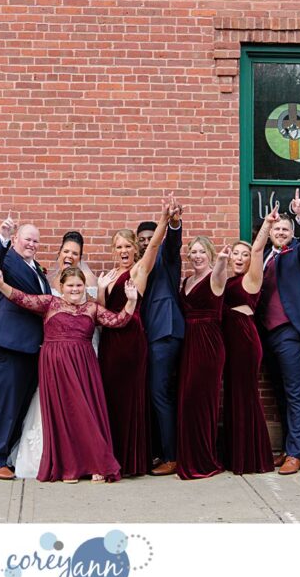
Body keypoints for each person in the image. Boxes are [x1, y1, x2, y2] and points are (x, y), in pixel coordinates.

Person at [0, 267, 134, 482]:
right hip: (55, 367)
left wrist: (131, 301)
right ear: (61, 287)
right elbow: (21, 298)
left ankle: (97, 463)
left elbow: (118, 321)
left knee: (86, 413)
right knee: (63, 415)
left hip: (84, 367)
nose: (75, 289)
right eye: (70, 285)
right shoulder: (50, 303)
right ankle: (69, 467)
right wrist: (1, 284)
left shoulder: (92, 308)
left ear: (84, 287)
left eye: (79, 285)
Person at [96, 200, 172, 477]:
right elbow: (100, 314)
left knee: (128, 397)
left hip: (130, 340)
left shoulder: (139, 270)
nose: (123, 251)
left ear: (135, 248)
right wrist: (102, 291)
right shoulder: (108, 275)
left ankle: (131, 460)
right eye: (119, 247)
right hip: (110, 342)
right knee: (111, 398)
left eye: (128, 246)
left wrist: (164, 219)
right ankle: (113, 455)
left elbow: (154, 247)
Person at [257, 189, 300, 476]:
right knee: (280, 393)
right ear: (269, 231)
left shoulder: (299, 253)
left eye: (286, 229)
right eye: (276, 228)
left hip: (290, 331)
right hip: (264, 333)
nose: (281, 232)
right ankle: (286, 448)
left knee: (295, 392)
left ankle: (296, 453)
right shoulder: (261, 257)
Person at [0, 214, 50, 480]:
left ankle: (7, 454)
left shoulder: (38, 269)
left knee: (19, 405)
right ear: (15, 240)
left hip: (30, 347)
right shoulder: (7, 260)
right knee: (4, 404)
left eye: (35, 241)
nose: (31, 244)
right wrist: (1, 237)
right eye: (27, 240)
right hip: (7, 342)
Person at [221, 209, 275, 475]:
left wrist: (265, 225)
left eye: (244, 254)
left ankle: (252, 457)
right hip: (228, 343)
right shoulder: (226, 279)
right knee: (232, 396)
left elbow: (257, 252)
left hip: (244, 341)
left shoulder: (251, 279)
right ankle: (234, 455)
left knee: (245, 396)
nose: (240, 257)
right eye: (236, 253)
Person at [137, 199, 185, 476]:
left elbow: (173, 241)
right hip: (148, 335)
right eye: (140, 240)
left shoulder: (166, 257)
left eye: (149, 238)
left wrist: (173, 221)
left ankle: (171, 456)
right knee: (154, 393)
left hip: (165, 332)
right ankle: (158, 451)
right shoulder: (139, 265)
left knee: (160, 393)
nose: (145, 243)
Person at [176, 237, 231, 480]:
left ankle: (204, 460)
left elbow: (219, 273)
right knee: (187, 400)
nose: (197, 256)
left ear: (209, 253)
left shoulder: (216, 276)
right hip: (189, 342)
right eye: (193, 252)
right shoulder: (187, 280)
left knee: (202, 400)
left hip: (209, 343)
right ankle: (189, 456)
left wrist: (221, 261)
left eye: (202, 252)